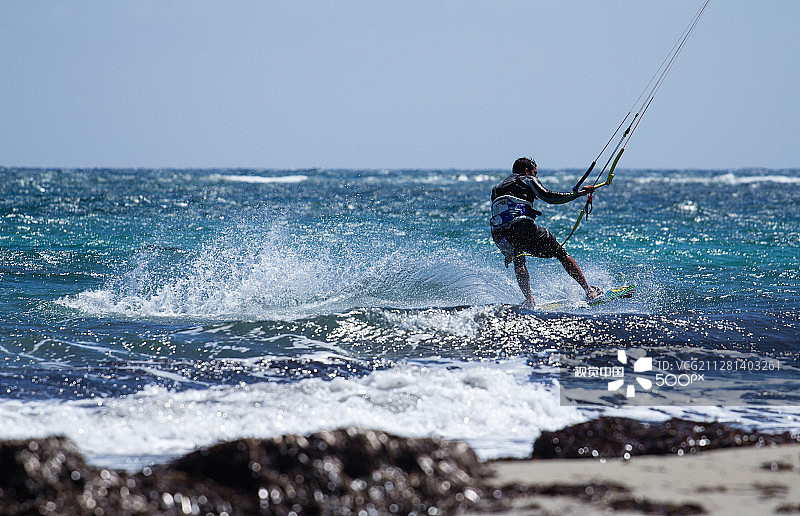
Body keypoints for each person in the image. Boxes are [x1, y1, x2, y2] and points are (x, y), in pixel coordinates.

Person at [491, 157, 600, 307]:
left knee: (518, 259)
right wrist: (579, 194)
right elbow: (549, 197)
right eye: (535, 172)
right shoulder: (527, 179)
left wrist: (506, 251)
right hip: (522, 227)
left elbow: (498, 218)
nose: (536, 176)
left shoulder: (496, 189)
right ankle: (589, 290)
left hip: (500, 236)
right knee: (561, 253)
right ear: (527, 171)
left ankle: (529, 301)